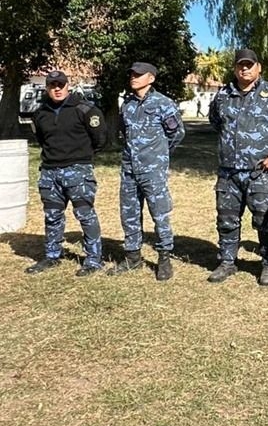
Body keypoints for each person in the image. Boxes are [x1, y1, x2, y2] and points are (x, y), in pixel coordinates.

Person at [207, 48, 268, 285]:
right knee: (227, 220)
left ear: (258, 67)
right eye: (240, 65)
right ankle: (227, 262)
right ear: (235, 68)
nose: (245, 69)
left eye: (249, 65)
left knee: (265, 221)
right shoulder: (222, 96)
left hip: (261, 173)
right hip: (229, 173)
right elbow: (216, 122)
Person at [25, 70, 109, 276]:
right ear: (47, 88)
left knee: (85, 215)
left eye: (60, 84)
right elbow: (42, 140)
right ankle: (52, 256)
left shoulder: (85, 109)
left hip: (77, 171)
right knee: (52, 216)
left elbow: (100, 139)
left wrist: (80, 156)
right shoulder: (40, 113)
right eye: (52, 85)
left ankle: (93, 260)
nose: (57, 89)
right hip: (49, 172)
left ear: (67, 85)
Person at [112, 62, 185, 281]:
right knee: (130, 213)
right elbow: (124, 133)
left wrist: (158, 155)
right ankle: (133, 257)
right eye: (132, 74)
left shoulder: (163, 103)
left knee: (160, 214)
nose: (133, 77)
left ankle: (164, 258)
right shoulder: (127, 105)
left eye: (138, 74)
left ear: (151, 78)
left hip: (153, 170)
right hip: (129, 168)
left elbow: (177, 133)